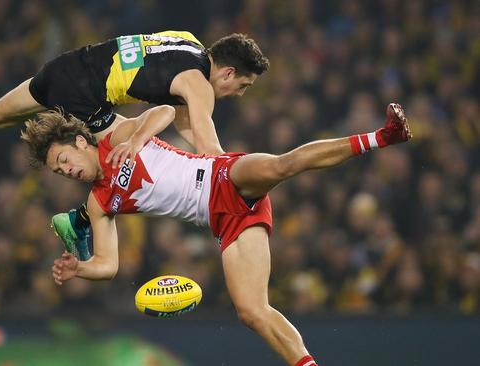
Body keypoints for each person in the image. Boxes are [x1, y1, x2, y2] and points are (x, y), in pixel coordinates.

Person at [21, 102, 412, 366]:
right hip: (224, 222)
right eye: (58, 171)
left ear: (77, 142)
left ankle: (383, 136)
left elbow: (164, 110)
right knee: (251, 312)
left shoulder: (116, 138)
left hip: (223, 176)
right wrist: (80, 268)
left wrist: (137, 139)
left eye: (63, 160)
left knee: (282, 166)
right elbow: (108, 265)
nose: (66, 171)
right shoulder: (99, 203)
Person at [0, 30, 269, 259]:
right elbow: (206, 137)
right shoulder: (200, 85)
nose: (240, 93)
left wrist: (181, 144)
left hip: (70, 65)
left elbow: (177, 116)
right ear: (228, 71)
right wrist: (227, 177)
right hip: (84, 94)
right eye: (243, 85)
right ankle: (79, 220)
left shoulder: (187, 42)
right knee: (118, 156)